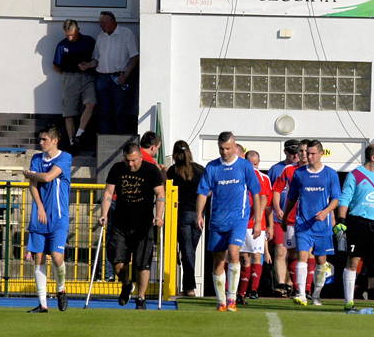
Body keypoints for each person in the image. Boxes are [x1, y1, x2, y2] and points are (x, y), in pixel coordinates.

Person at [196, 132, 262, 312]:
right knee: (218, 261)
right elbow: (202, 192)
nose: (224, 152)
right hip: (217, 221)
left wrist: (257, 220)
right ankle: (221, 301)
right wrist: (199, 214)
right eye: (221, 148)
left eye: (227, 148)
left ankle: (232, 298)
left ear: (234, 147)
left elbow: (256, 193)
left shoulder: (244, 166)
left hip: (238, 219)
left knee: (234, 253)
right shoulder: (212, 167)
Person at [99, 142, 165, 310]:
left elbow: (160, 194)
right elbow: (108, 192)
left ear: (140, 157)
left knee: (143, 263)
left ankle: (141, 298)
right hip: (121, 223)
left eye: (134, 160)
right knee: (117, 260)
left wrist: (159, 216)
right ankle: (127, 284)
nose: (130, 164)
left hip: (143, 224)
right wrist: (104, 214)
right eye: (127, 160)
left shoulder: (151, 171)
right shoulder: (117, 169)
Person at [282, 139, 340, 306]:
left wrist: (326, 212)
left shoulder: (330, 174)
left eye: (313, 153)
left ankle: (316, 294)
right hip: (303, 224)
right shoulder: (299, 174)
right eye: (308, 153)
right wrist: (286, 217)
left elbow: (336, 198)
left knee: (321, 261)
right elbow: (292, 198)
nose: (310, 156)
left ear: (321, 153)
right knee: (302, 256)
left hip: (323, 225)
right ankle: (301, 293)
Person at [22, 125, 73, 313]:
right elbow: (33, 184)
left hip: (59, 216)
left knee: (57, 256)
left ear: (54, 140)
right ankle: (42, 303)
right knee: (39, 257)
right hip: (40, 215)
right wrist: (40, 207)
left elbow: (48, 177)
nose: (41, 143)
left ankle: (61, 289)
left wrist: (30, 174)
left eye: (44, 139)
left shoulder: (65, 157)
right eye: (40, 139)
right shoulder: (36, 158)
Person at [336, 143, 374, 312]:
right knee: (353, 261)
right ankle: (349, 301)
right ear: (373, 158)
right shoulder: (355, 175)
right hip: (357, 223)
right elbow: (345, 198)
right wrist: (341, 220)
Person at [79, 10, 138, 135]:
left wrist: (126, 75)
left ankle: (119, 143)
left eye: (103, 22)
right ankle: (104, 144)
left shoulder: (126, 34)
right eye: (100, 23)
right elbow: (96, 59)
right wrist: (88, 65)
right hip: (102, 77)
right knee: (103, 111)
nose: (101, 25)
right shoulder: (101, 36)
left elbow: (134, 57)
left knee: (119, 110)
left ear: (112, 22)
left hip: (119, 77)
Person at [271, 139, 310, 297]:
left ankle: (300, 287)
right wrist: (278, 208)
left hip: (306, 220)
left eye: (302, 152)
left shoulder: (317, 171)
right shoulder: (283, 169)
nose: (299, 155)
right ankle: (282, 285)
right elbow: (275, 190)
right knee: (281, 251)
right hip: (285, 219)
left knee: (301, 254)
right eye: (296, 152)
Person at [166, 140, 205, 297]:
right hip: (198, 215)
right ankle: (188, 286)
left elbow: (167, 189)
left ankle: (189, 287)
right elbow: (207, 191)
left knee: (187, 251)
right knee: (190, 252)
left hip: (181, 214)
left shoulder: (172, 171)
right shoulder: (200, 170)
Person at [52, 19, 96, 146]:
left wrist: (88, 65)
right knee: (69, 112)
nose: (70, 38)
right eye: (67, 35)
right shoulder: (62, 45)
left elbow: (97, 58)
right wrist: (68, 74)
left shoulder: (89, 41)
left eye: (72, 35)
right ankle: (72, 142)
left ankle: (79, 134)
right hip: (69, 78)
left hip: (87, 76)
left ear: (78, 30)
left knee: (91, 103)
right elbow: (56, 65)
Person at [237, 150, 272, 304]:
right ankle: (243, 292)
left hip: (256, 223)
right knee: (245, 257)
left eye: (256, 163)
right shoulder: (241, 174)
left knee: (254, 256)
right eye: (251, 163)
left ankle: (253, 289)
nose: (253, 166)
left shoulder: (263, 177)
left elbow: (265, 199)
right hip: (244, 222)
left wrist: (259, 217)